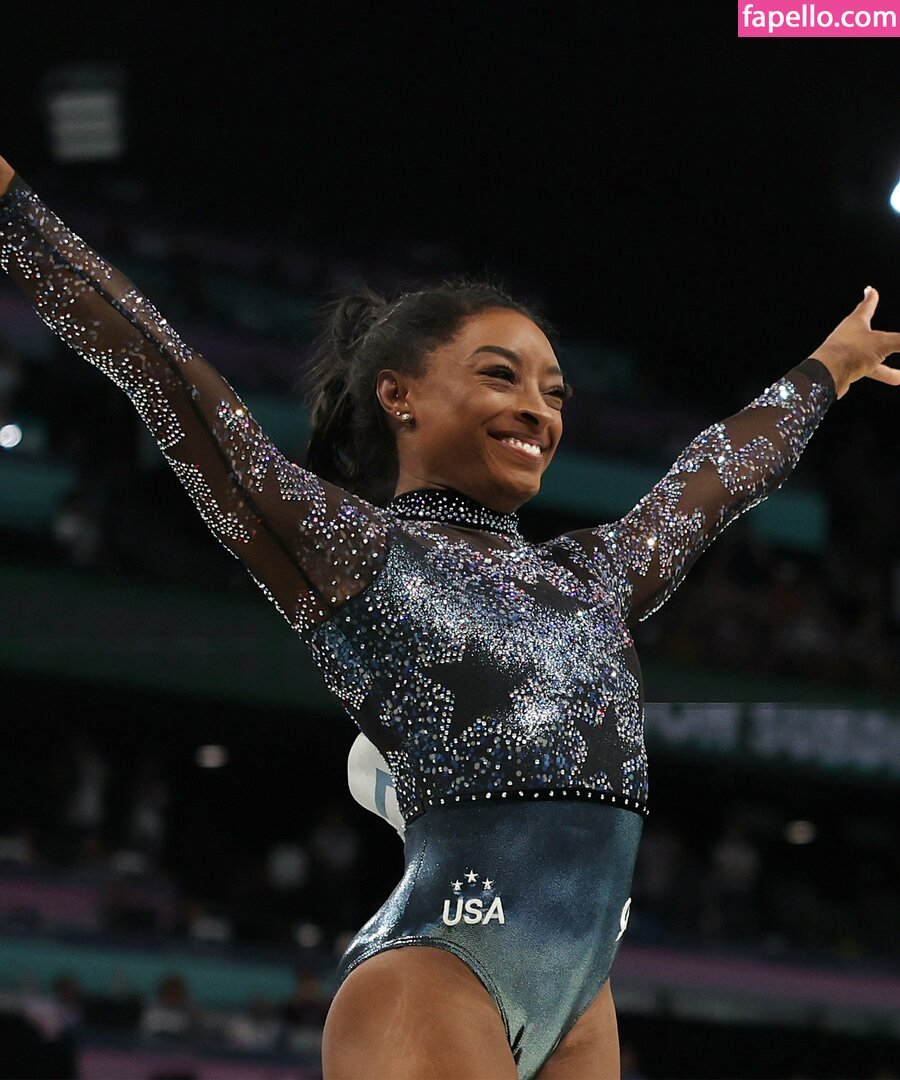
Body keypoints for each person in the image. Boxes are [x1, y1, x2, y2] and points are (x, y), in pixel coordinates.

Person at [1, 156, 898, 1080]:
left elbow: (716, 478)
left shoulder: (593, 575)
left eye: (554, 392)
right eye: (501, 377)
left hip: (580, 998)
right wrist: (14, 216)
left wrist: (830, 368)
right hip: (437, 976)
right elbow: (165, 373)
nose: (535, 410)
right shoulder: (354, 552)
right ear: (399, 395)